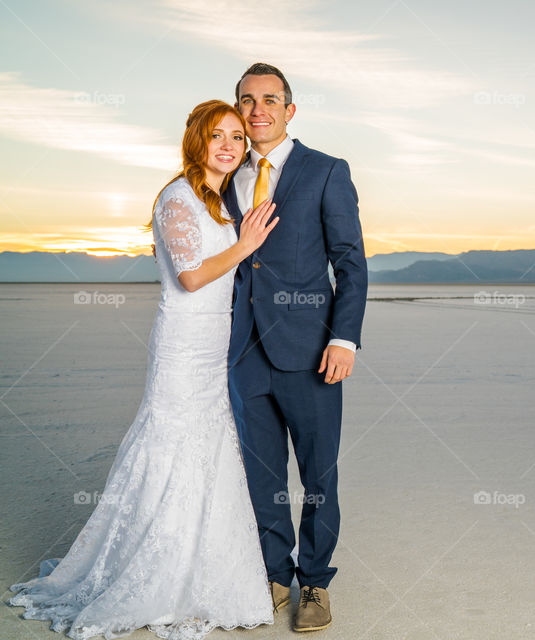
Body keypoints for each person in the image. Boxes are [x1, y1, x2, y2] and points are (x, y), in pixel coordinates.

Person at [8, 100, 279, 640]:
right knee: (170, 446)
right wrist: (246, 245)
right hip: (182, 346)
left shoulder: (219, 202)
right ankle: (156, 576)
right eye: (216, 135)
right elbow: (191, 277)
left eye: (235, 136)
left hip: (213, 346)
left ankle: (207, 574)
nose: (228, 144)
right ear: (195, 141)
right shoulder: (178, 198)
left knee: (209, 449)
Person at [226, 62, 367, 632]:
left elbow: (350, 263)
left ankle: (314, 582)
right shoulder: (225, 172)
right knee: (262, 477)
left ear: (289, 110)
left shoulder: (327, 171)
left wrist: (344, 337)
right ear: (236, 109)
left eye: (269, 99)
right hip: (241, 354)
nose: (257, 109)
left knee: (317, 476)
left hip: (310, 350)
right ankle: (274, 574)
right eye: (246, 99)